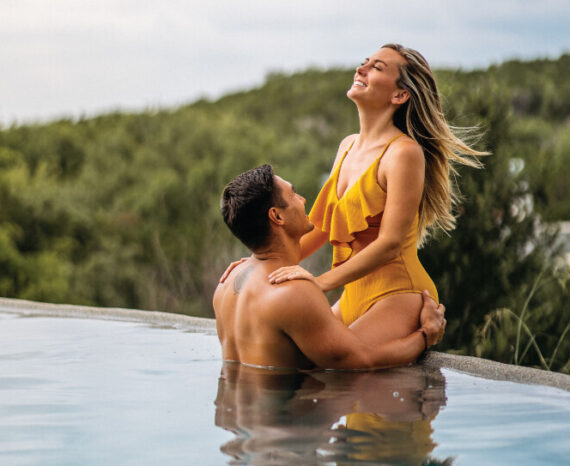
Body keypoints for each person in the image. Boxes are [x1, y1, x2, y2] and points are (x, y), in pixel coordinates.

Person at [268, 43, 485, 345]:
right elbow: (322, 226)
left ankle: (426, 335)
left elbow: (389, 243)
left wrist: (318, 283)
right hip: (352, 295)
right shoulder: (347, 146)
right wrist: (262, 262)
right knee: (297, 358)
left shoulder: (404, 154)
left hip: (399, 294)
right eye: (364, 62)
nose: (361, 69)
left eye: (377, 67)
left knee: (337, 366)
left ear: (400, 95)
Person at [213, 165, 445, 370]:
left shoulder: (226, 284)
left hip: (237, 414)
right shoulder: (292, 293)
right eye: (293, 194)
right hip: (285, 417)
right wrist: (426, 334)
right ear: (277, 216)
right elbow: (361, 361)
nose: (303, 200)